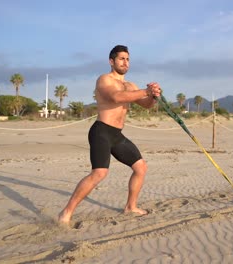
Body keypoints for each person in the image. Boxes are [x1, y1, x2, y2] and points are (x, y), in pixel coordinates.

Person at [58, 45, 161, 224]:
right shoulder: (104, 80)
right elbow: (116, 97)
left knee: (140, 167)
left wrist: (153, 96)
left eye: (127, 59)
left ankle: (131, 207)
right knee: (99, 173)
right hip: (102, 131)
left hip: (117, 135)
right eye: (121, 58)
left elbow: (146, 105)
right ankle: (66, 213)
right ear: (111, 61)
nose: (125, 62)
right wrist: (146, 91)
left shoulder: (131, 85)